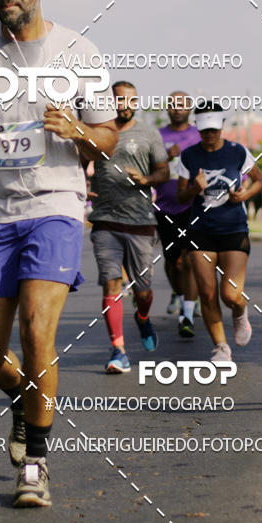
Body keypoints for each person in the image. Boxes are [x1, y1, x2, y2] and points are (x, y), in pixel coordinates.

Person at [0, 0, 117, 508]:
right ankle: (26, 399)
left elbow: (108, 136)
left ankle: (36, 464)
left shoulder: (79, 52)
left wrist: (76, 130)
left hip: (56, 204)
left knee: (36, 331)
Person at [89, 81, 169, 371]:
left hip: (140, 221)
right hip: (105, 219)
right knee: (111, 282)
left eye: (131, 100)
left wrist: (147, 180)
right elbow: (77, 161)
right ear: (110, 102)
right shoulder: (96, 132)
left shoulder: (148, 133)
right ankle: (118, 349)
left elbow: (164, 171)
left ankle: (143, 318)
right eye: (120, 100)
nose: (126, 104)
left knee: (143, 290)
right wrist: (79, 187)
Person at [177, 101, 262, 361]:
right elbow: (181, 197)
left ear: (222, 126)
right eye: (204, 130)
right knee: (206, 292)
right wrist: (194, 188)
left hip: (233, 229)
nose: (210, 134)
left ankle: (240, 312)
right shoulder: (189, 155)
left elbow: (259, 180)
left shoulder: (238, 152)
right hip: (200, 231)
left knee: (231, 294)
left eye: (214, 129)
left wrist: (244, 194)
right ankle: (221, 347)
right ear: (197, 127)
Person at [154, 91, 201, 337]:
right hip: (164, 207)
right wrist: (164, 156)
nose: (177, 108)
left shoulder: (197, 135)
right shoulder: (157, 136)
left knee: (187, 260)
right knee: (172, 262)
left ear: (190, 107)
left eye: (182, 104)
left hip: (193, 205)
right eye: (173, 104)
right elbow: (148, 165)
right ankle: (180, 293)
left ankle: (187, 313)